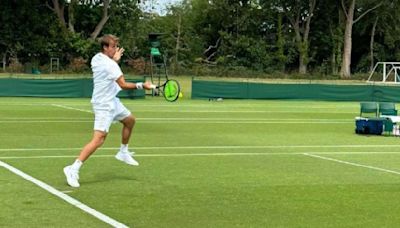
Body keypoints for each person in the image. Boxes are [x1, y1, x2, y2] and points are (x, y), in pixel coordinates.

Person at [63, 34, 155, 188]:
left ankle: (123, 152)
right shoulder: (111, 65)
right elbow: (124, 85)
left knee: (130, 120)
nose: (115, 49)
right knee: (99, 139)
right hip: (103, 105)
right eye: (113, 47)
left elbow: (109, 66)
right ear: (105, 48)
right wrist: (142, 85)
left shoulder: (96, 58)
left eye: (116, 46)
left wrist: (115, 59)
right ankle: (73, 168)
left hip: (112, 101)